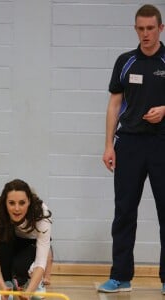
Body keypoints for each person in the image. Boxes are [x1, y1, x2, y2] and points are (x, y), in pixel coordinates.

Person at [98, 4, 165, 294]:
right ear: (135, 29)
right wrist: (108, 145)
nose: (146, 34)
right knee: (124, 212)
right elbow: (114, 104)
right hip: (129, 145)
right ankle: (121, 276)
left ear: (161, 28)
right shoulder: (125, 61)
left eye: (151, 28)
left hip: (162, 144)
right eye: (140, 28)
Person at [0, 179, 52, 300]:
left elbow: (41, 261)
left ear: (29, 202)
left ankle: (34, 282)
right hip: (10, 239)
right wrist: (2, 287)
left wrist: (29, 292)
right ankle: (7, 286)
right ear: (5, 203)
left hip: (31, 244)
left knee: (20, 267)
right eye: (11, 203)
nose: (17, 209)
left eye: (22, 203)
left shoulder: (41, 212)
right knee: (5, 235)